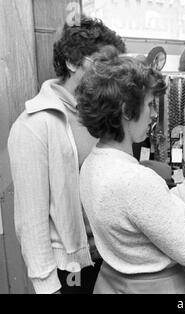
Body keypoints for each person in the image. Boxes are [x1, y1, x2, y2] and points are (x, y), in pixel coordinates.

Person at [76, 48, 185, 294]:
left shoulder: (93, 163)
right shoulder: (133, 179)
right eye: (151, 104)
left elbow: (158, 209)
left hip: (112, 282)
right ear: (125, 110)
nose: (155, 113)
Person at [8, 17, 125, 294]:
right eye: (103, 63)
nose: (111, 74)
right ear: (72, 62)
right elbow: (31, 218)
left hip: (112, 259)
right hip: (71, 270)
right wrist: (47, 286)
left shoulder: (102, 117)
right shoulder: (34, 125)